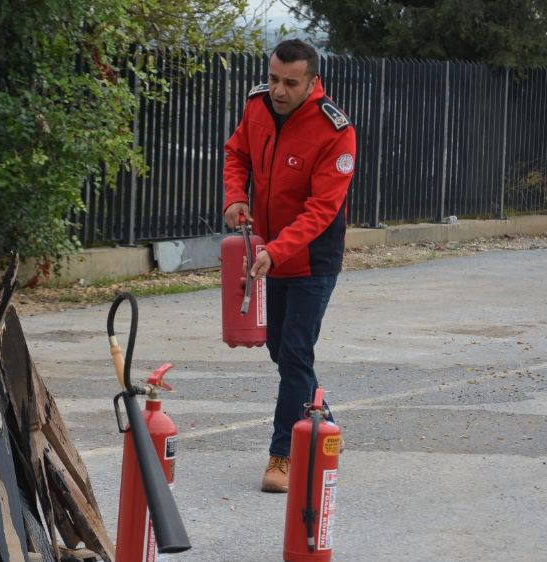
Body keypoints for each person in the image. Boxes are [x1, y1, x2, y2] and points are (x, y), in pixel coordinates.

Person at [222, 39, 356, 493]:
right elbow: (236, 153)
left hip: (312, 261)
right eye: (274, 78)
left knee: (296, 353)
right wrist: (236, 196)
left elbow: (322, 210)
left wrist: (278, 251)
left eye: (290, 83)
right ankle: (325, 425)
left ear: (312, 82)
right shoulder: (258, 106)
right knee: (281, 351)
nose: (278, 89)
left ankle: (282, 456)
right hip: (268, 252)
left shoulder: (335, 131)